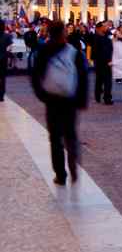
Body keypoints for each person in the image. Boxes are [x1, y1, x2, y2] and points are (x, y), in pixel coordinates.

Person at [31, 21, 88, 186]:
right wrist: (81, 100)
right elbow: (83, 77)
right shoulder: (74, 52)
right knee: (71, 135)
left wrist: (42, 95)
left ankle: (60, 175)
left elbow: (35, 75)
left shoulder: (43, 51)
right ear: (64, 33)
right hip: (70, 100)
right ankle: (73, 164)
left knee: (55, 138)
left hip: (52, 100)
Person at [92, 21, 114, 105]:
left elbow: (111, 48)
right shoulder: (96, 38)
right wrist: (106, 60)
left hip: (108, 62)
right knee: (100, 80)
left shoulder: (107, 36)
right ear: (98, 28)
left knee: (107, 81)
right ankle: (98, 96)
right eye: (104, 26)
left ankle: (107, 98)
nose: (106, 27)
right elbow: (96, 52)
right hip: (100, 63)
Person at [0, 21, 13, 102]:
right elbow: (10, 47)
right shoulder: (7, 36)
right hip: (3, 58)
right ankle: (1, 95)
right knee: (2, 77)